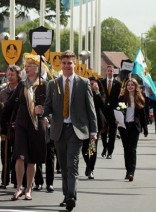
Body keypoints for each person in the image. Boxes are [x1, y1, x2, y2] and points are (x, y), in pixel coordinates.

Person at [35, 50, 97, 212]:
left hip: (77, 130)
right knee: (63, 166)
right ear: (60, 64)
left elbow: (91, 109)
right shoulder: (53, 84)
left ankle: (71, 196)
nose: (67, 66)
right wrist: (42, 110)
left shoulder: (83, 83)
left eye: (70, 63)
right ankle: (67, 194)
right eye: (64, 63)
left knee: (72, 164)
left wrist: (93, 131)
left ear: (75, 64)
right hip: (59, 130)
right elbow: (48, 105)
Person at [3, 53, 48, 201]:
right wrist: (0, 107)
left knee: (32, 159)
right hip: (21, 124)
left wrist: (45, 113)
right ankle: (19, 188)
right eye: (26, 66)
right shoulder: (22, 84)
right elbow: (10, 103)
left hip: (36, 125)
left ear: (36, 68)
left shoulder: (44, 85)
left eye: (29, 66)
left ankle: (29, 189)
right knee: (19, 157)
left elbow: (50, 105)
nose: (26, 68)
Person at [0, 65, 22, 189]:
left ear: (18, 76)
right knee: (4, 155)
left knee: (17, 155)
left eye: (12, 75)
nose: (10, 77)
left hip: (18, 128)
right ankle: (4, 180)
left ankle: (16, 179)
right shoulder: (3, 92)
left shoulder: (22, 90)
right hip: (5, 128)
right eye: (8, 74)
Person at [118, 78, 148, 182]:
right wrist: (117, 121)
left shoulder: (139, 99)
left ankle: (132, 172)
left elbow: (143, 116)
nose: (130, 86)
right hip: (124, 127)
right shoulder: (122, 98)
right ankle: (128, 170)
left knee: (132, 149)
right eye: (128, 85)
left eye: (132, 85)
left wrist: (145, 128)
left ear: (135, 87)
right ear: (126, 87)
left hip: (134, 127)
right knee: (126, 149)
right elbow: (119, 111)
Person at [81, 76, 107, 180]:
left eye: (93, 84)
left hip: (96, 124)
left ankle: (91, 169)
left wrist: (97, 92)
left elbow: (102, 104)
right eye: (90, 84)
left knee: (92, 147)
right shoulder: (83, 92)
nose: (92, 86)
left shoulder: (100, 93)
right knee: (84, 149)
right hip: (84, 123)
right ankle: (88, 164)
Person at [100, 65, 121, 159]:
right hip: (103, 113)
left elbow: (120, 99)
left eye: (111, 71)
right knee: (103, 134)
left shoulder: (118, 84)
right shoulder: (101, 82)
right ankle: (105, 147)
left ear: (114, 72)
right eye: (108, 71)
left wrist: (119, 113)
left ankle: (110, 152)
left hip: (113, 112)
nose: (110, 73)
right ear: (106, 72)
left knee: (112, 134)